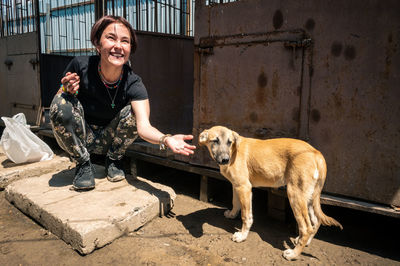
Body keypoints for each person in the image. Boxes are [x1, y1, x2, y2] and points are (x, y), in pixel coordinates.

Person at [50, 15, 196, 191]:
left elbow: (143, 126)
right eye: (111, 38)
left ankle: (114, 159)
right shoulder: (80, 65)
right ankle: (82, 163)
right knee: (61, 101)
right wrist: (67, 90)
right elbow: (58, 102)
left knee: (134, 113)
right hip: (82, 135)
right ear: (98, 43)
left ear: (130, 48)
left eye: (125, 41)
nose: (118, 46)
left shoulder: (134, 82)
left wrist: (166, 139)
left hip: (108, 139)